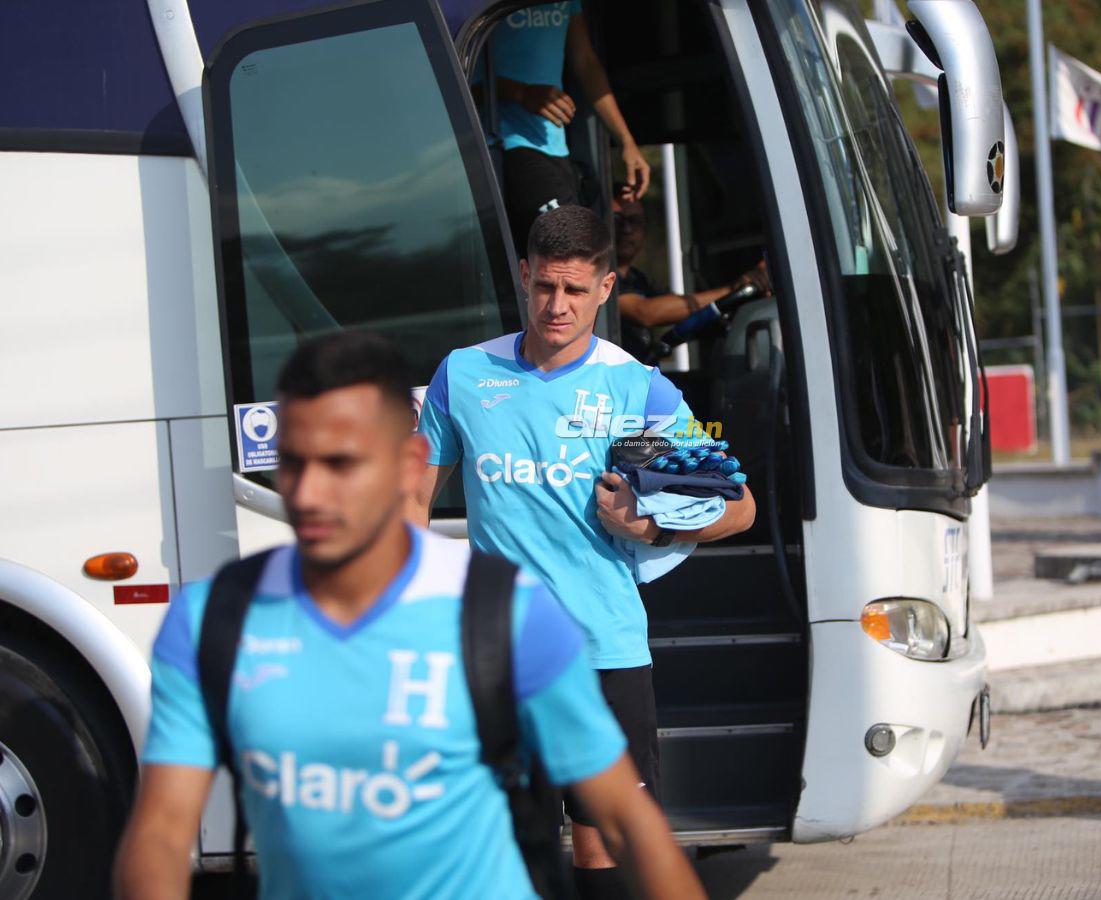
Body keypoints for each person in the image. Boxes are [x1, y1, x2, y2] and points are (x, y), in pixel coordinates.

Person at [113, 333, 704, 900]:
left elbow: (630, 825)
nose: (311, 493)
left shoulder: (508, 617)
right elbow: (163, 833)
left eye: (342, 464)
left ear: (407, 462)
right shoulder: (215, 620)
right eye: (293, 463)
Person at [408, 206, 755, 899]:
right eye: (544, 288)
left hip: (604, 651)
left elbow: (739, 508)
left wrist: (651, 527)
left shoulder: (637, 386)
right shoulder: (465, 374)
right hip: (498, 655)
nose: (557, 307)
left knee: (605, 844)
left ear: (606, 287)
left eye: (575, 290)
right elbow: (408, 503)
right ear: (524, 275)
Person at [488, 3, 650, 252]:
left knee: (573, 262)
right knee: (574, 253)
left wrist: (626, 140)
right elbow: (461, 72)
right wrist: (521, 93)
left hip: (557, 148)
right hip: (512, 144)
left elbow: (585, 62)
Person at [613, 186, 772, 361]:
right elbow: (646, 312)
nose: (626, 230)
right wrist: (735, 288)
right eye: (617, 220)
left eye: (634, 221)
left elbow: (679, 309)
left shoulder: (638, 280)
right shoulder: (600, 276)